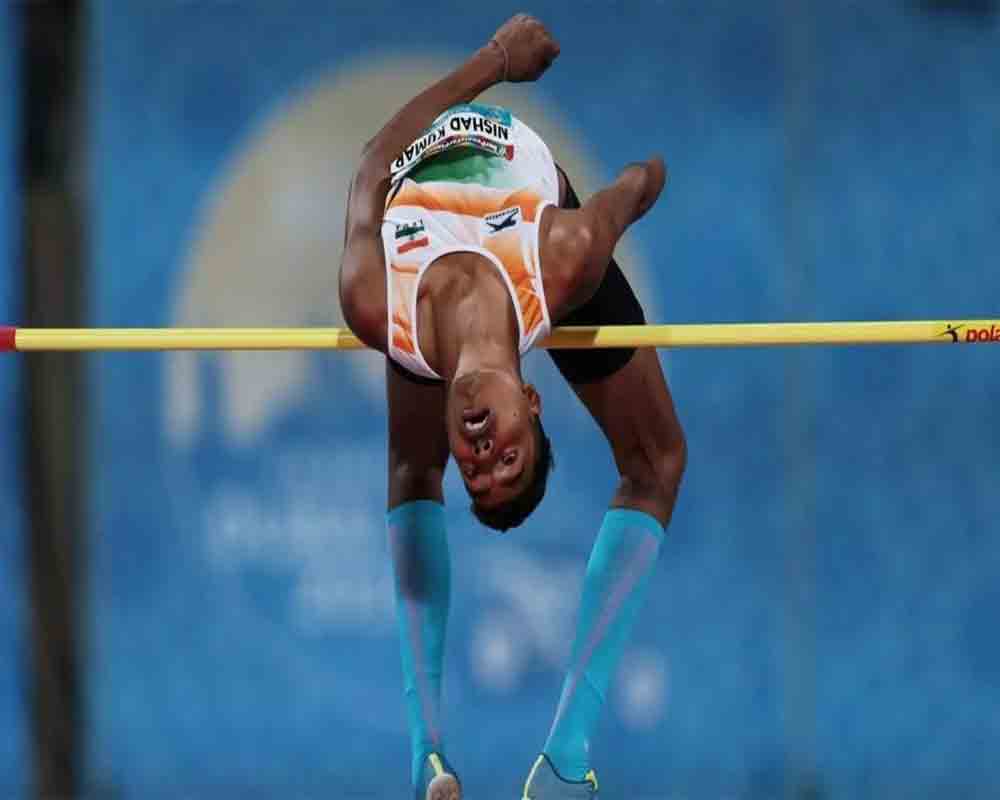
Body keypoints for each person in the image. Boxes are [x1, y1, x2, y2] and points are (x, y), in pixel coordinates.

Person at [339, 14, 686, 800]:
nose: (481, 453)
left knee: (407, 468)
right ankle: (567, 756)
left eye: (477, 472)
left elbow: (370, 168)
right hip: (538, 219)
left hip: (426, 270)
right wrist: (650, 179)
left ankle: (430, 755)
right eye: (510, 459)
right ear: (533, 401)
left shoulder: (377, 305)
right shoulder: (563, 257)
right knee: (659, 460)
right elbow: (630, 190)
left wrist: (493, 62)